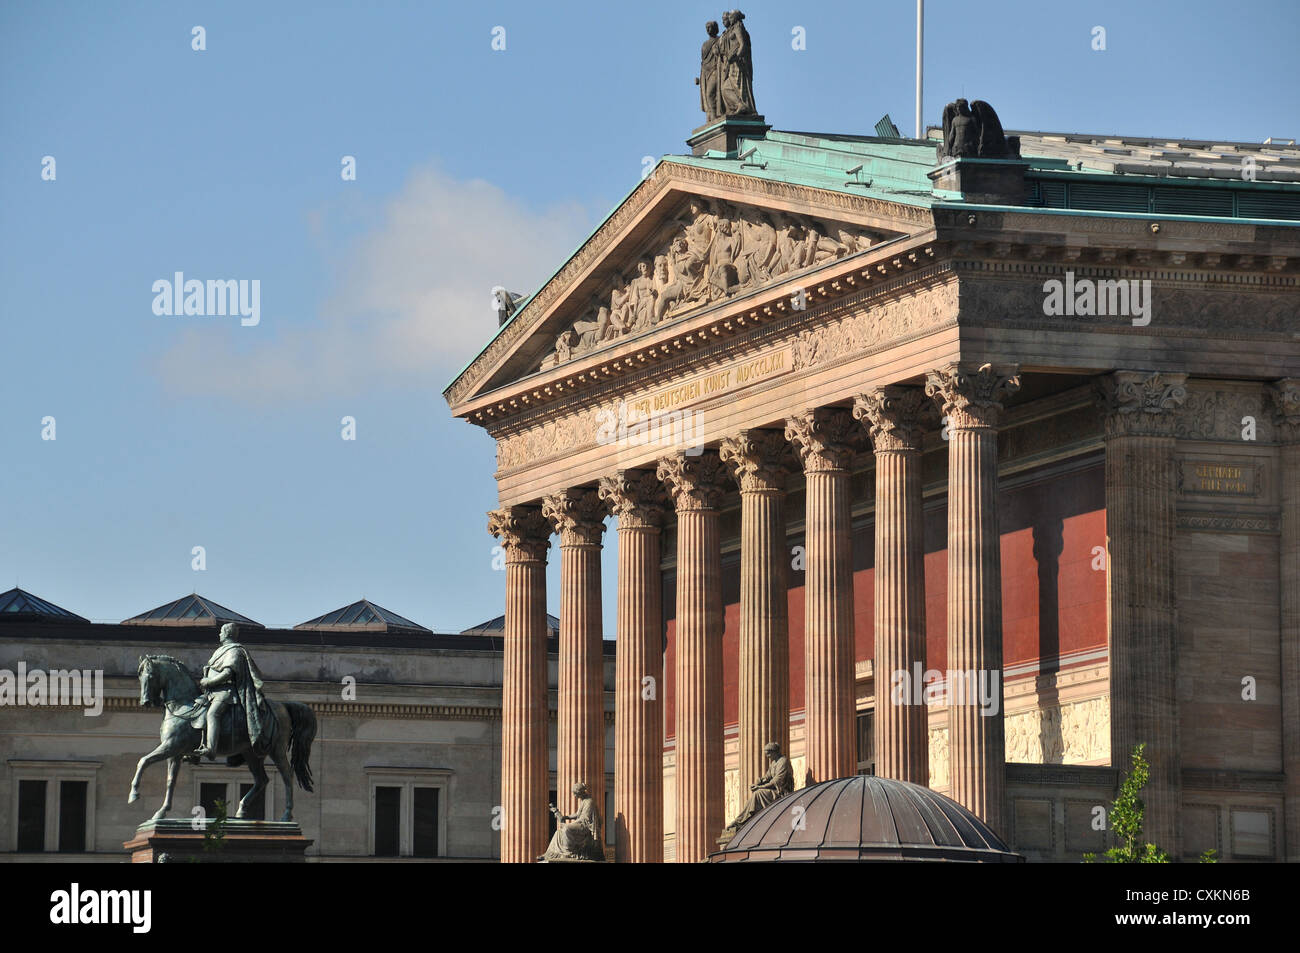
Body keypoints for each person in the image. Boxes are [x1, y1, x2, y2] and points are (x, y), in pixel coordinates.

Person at [194, 622, 270, 758]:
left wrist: (209, 681)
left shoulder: (235, 650)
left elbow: (228, 672)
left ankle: (211, 748)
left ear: (227, 634)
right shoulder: (220, 650)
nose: (219, 634)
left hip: (226, 692)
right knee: (195, 710)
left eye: (221, 632)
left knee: (213, 714)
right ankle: (195, 747)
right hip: (211, 693)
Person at [721, 742, 793, 837]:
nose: (767, 756)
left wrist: (761, 787)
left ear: (774, 752)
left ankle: (742, 820)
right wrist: (760, 781)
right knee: (757, 793)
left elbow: (777, 780)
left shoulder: (783, 761)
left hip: (782, 793)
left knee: (758, 794)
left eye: (768, 753)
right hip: (774, 791)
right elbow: (768, 776)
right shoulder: (774, 763)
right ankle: (742, 819)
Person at [540, 781, 604, 861]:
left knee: (567, 828)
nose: (574, 796)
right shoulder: (583, 801)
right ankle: (550, 853)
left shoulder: (589, 802)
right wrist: (566, 817)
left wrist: (569, 824)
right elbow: (577, 814)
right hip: (581, 823)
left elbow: (584, 819)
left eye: (575, 794)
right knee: (559, 832)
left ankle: (568, 853)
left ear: (580, 793)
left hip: (585, 826)